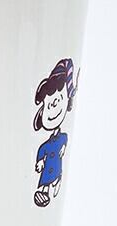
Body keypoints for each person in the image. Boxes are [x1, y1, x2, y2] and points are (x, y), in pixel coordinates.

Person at [33, 58, 78, 207]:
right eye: (48, 105)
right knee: (46, 179)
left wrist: (63, 147)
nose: (53, 107)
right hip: (49, 165)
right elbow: (42, 149)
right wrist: (40, 161)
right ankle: (45, 192)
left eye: (59, 99)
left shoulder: (61, 137)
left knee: (54, 174)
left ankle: (56, 182)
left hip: (55, 163)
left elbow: (64, 139)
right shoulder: (48, 143)